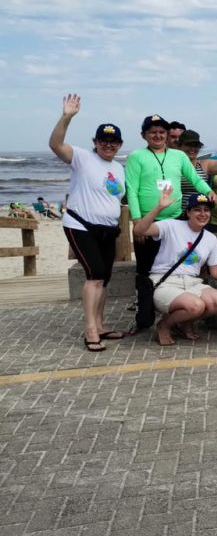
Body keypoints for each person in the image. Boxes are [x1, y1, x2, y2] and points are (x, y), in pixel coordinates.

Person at [48, 94, 127, 352]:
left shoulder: (118, 168)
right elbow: (55, 144)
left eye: (113, 141)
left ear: (119, 144)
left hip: (107, 230)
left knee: (103, 278)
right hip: (80, 225)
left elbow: (116, 196)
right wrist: (67, 117)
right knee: (94, 274)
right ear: (95, 142)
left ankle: (101, 324)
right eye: (103, 140)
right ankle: (91, 329)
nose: (108, 145)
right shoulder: (81, 157)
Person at [126, 113, 216, 330]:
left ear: (167, 135)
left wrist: (208, 190)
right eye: (153, 132)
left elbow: (194, 179)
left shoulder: (179, 156)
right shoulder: (136, 156)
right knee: (145, 270)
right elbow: (131, 189)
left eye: (161, 132)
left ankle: (179, 313)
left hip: (176, 220)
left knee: (177, 268)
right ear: (144, 135)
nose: (158, 135)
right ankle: (145, 313)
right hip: (149, 220)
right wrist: (137, 221)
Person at [133, 189, 217, 345]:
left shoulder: (210, 239)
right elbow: (138, 230)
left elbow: (216, 273)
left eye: (206, 210)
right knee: (196, 306)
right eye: (197, 210)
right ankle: (164, 325)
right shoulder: (171, 225)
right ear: (188, 212)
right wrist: (159, 208)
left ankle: (184, 322)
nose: (203, 214)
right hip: (165, 282)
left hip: (192, 283)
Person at [176, 128, 217, 206]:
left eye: (196, 146)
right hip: (177, 215)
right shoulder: (172, 165)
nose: (193, 149)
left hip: (200, 214)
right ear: (179, 146)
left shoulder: (204, 164)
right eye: (189, 145)